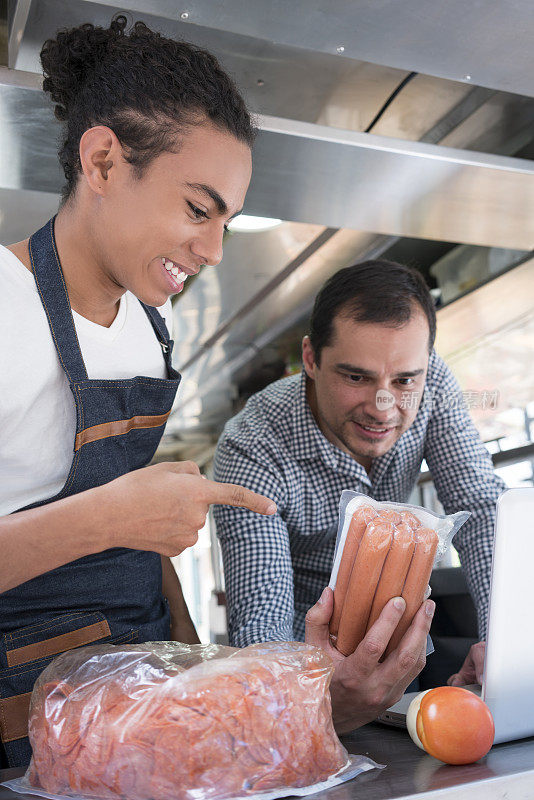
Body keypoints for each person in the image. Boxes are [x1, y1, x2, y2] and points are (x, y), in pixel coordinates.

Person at [0, 17, 277, 768]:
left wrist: (198, 673)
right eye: (197, 208)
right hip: (24, 744)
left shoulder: (148, 329)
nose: (214, 251)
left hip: (140, 737)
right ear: (102, 162)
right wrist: (109, 516)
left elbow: (143, 547)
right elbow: (118, 518)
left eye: (227, 221)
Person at [214, 261, 506, 731]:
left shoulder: (432, 385)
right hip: (302, 663)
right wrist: (307, 695)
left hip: (401, 646)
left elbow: (483, 508)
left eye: (405, 381)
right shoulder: (252, 444)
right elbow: (262, 627)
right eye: (356, 378)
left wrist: (505, 644)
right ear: (311, 359)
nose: (382, 407)